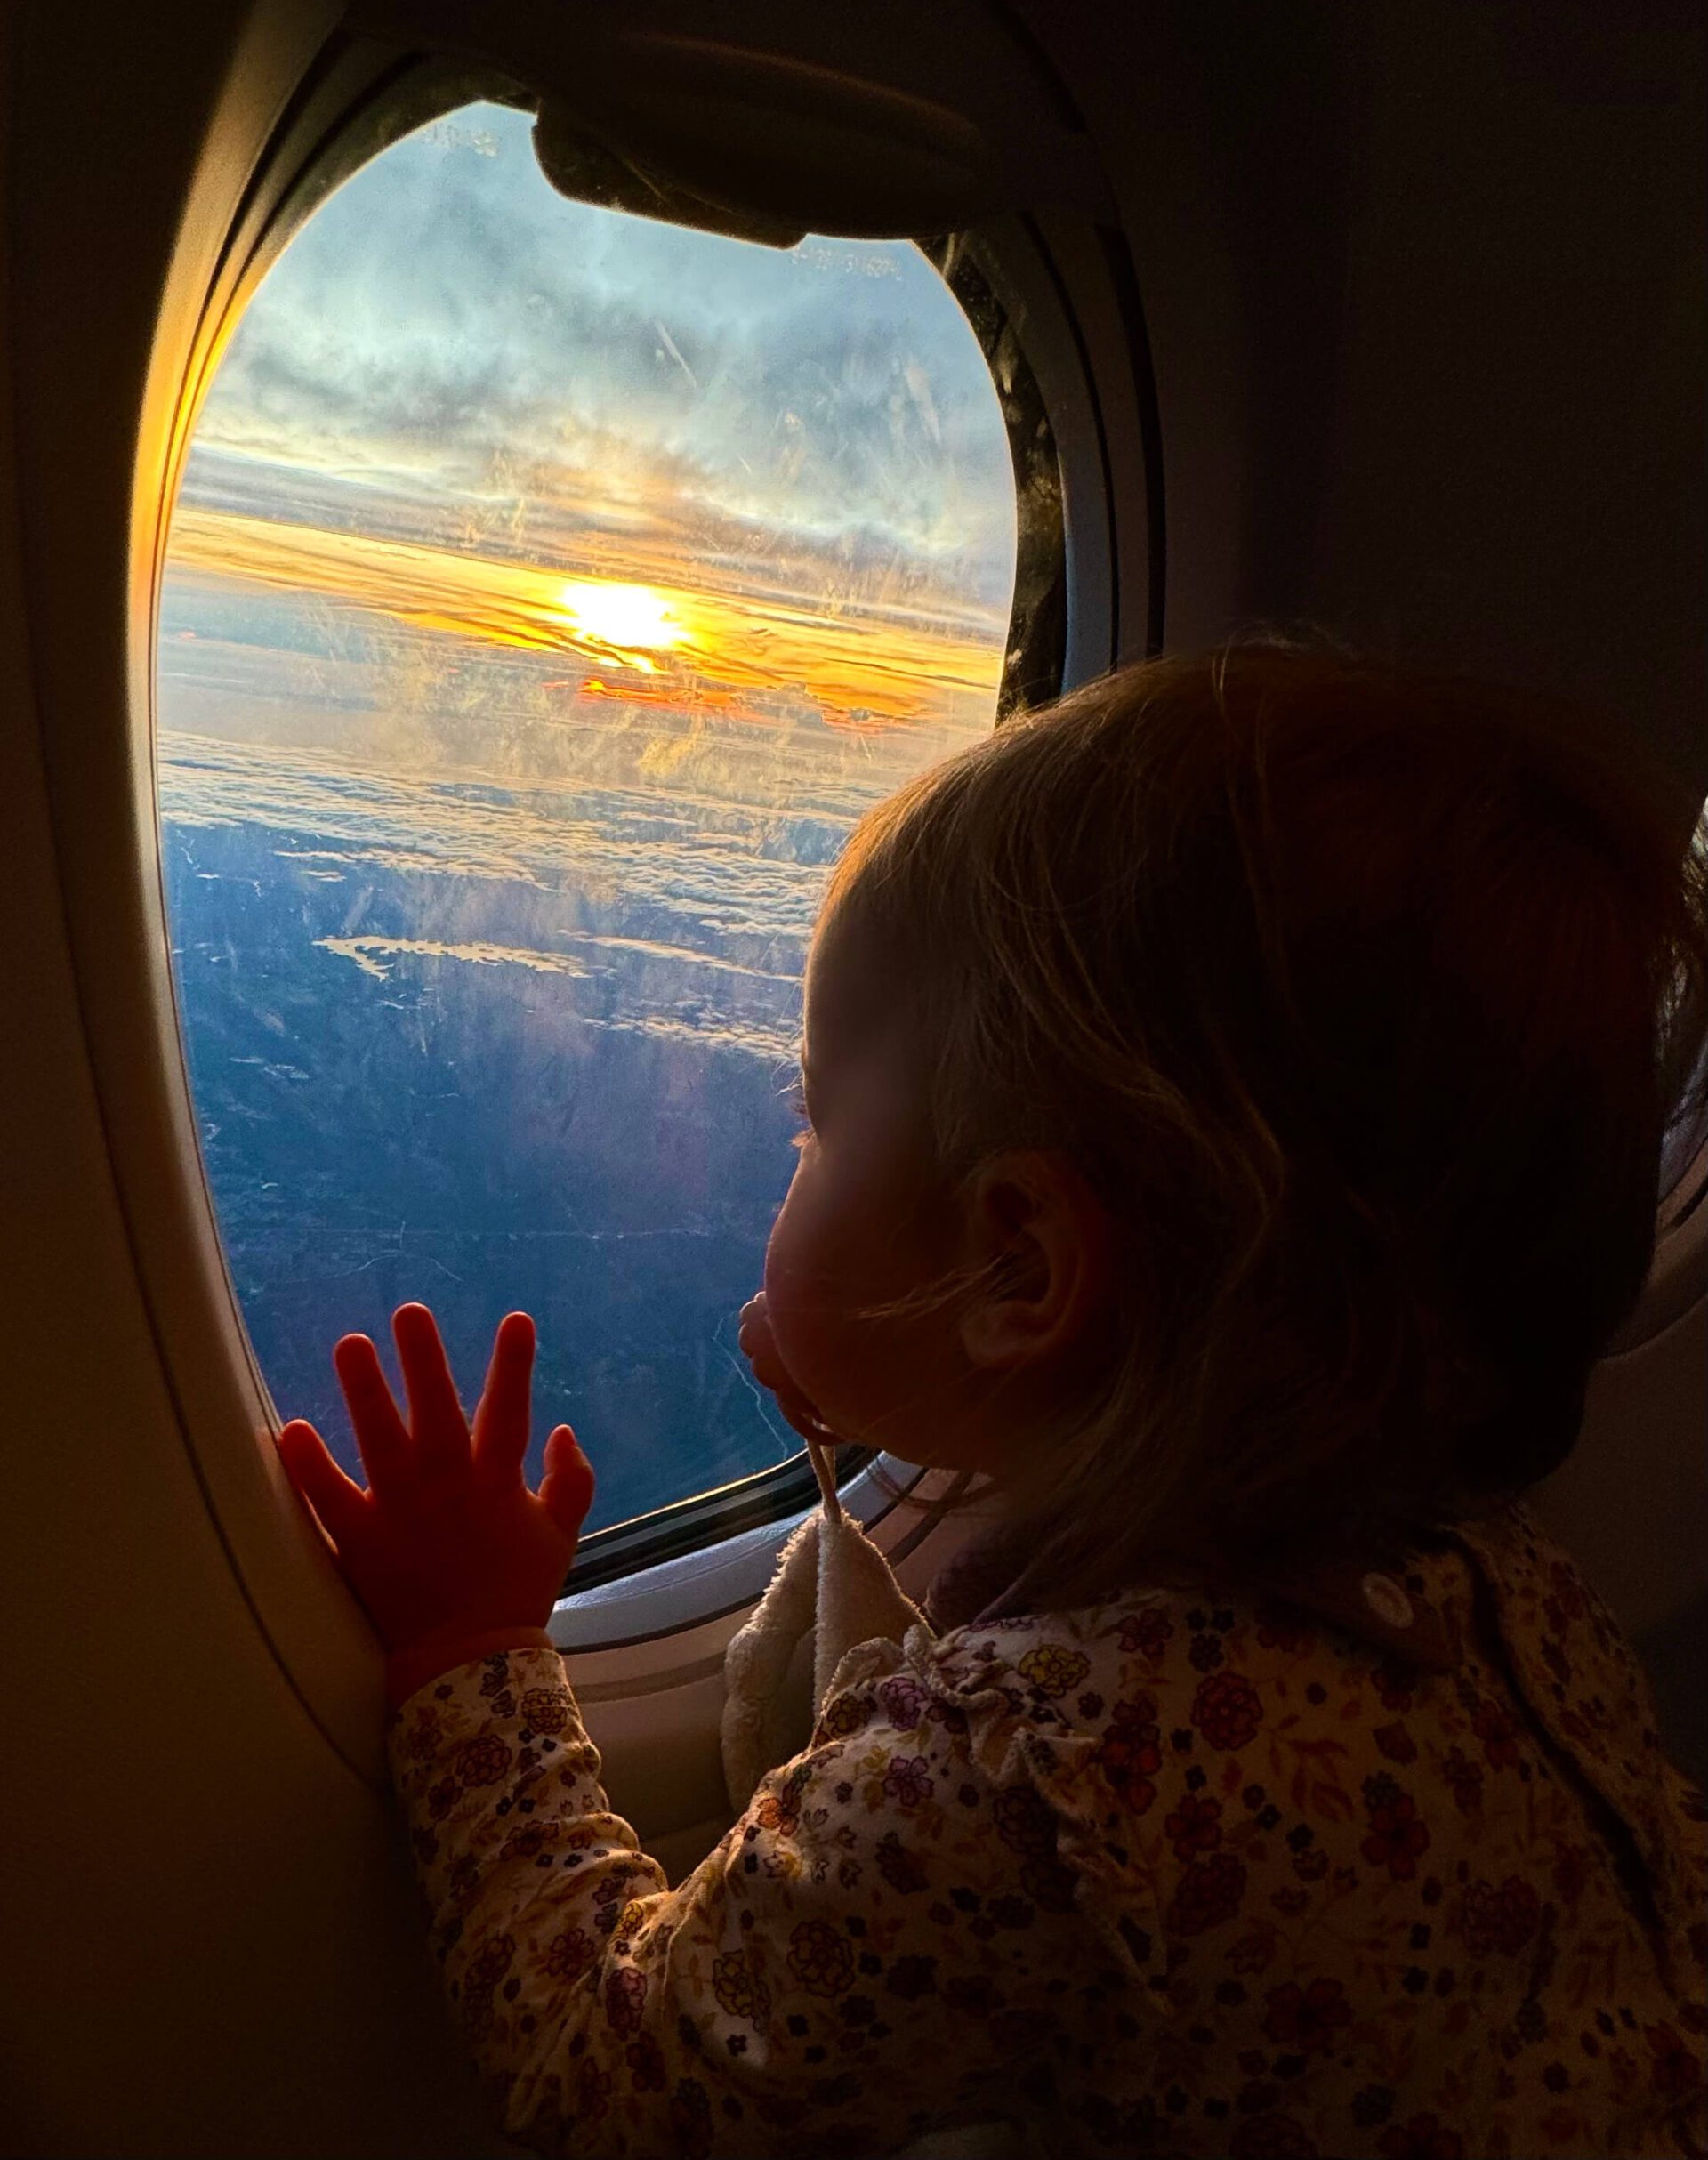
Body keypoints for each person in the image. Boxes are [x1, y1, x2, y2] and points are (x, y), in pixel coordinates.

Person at [280, 643, 1708, 2160]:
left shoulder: (1021, 1783)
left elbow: (606, 2077)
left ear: (1020, 1265)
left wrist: (474, 1654)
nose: (792, 1156)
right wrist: (893, 1363)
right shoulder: (1499, 1586)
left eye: (812, 1127)